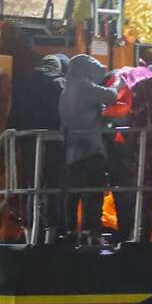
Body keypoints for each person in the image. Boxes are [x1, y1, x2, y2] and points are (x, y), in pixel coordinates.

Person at [105, 64, 152, 242]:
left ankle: (128, 233)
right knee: (148, 191)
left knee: (126, 191)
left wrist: (105, 114)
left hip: (130, 148)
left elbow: (119, 108)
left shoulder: (124, 79)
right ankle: (147, 235)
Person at [59, 54, 117, 246]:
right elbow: (111, 97)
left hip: (71, 152)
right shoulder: (84, 85)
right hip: (90, 150)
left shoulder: (66, 90)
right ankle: (91, 233)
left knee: (73, 195)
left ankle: (70, 232)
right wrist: (121, 83)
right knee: (93, 194)